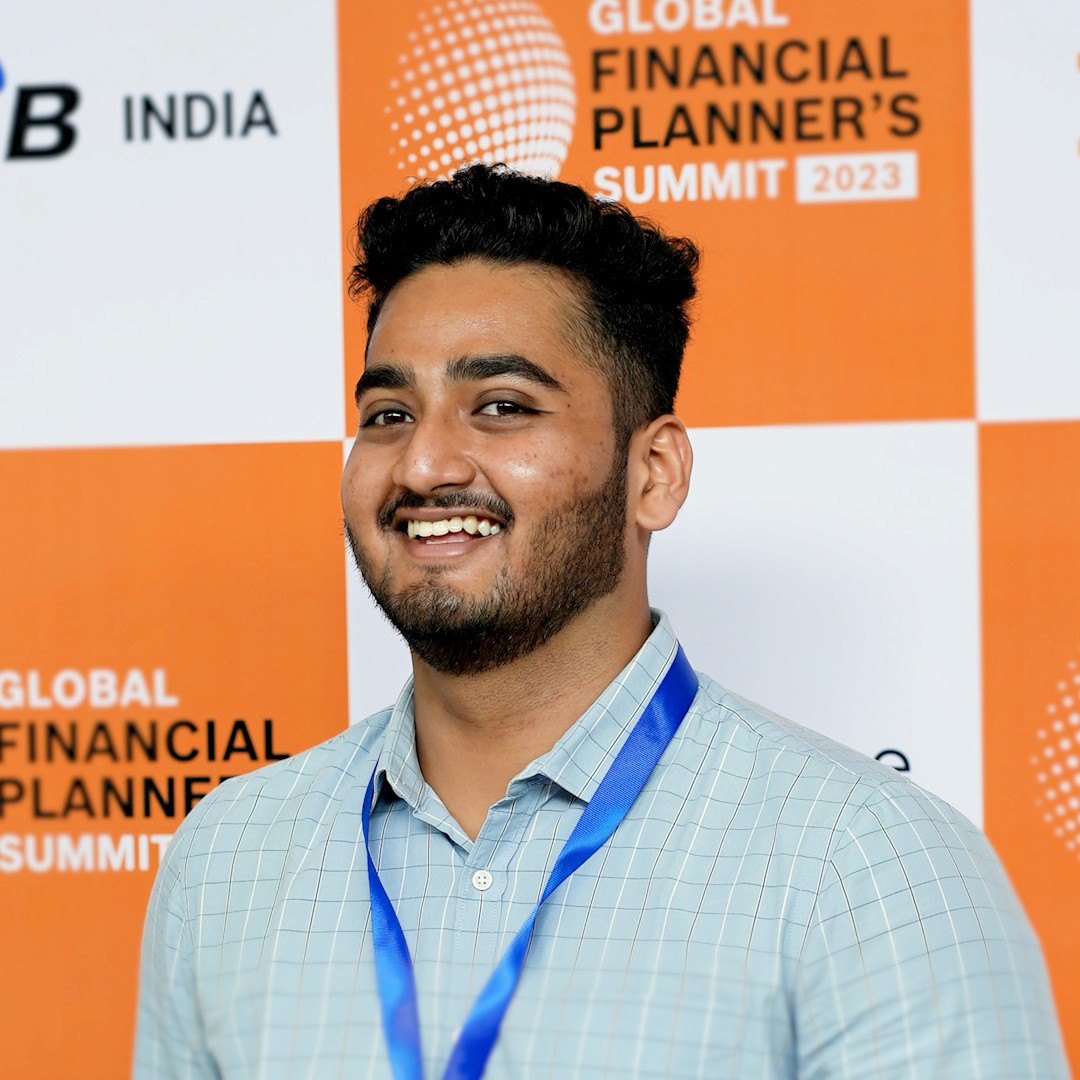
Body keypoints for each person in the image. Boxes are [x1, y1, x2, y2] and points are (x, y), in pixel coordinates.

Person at [134, 163, 1068, 1079]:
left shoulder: (867, 863)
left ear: (653, 474)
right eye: (387, 414)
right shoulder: (230, 856)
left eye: (502, 406)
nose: (421, 465)